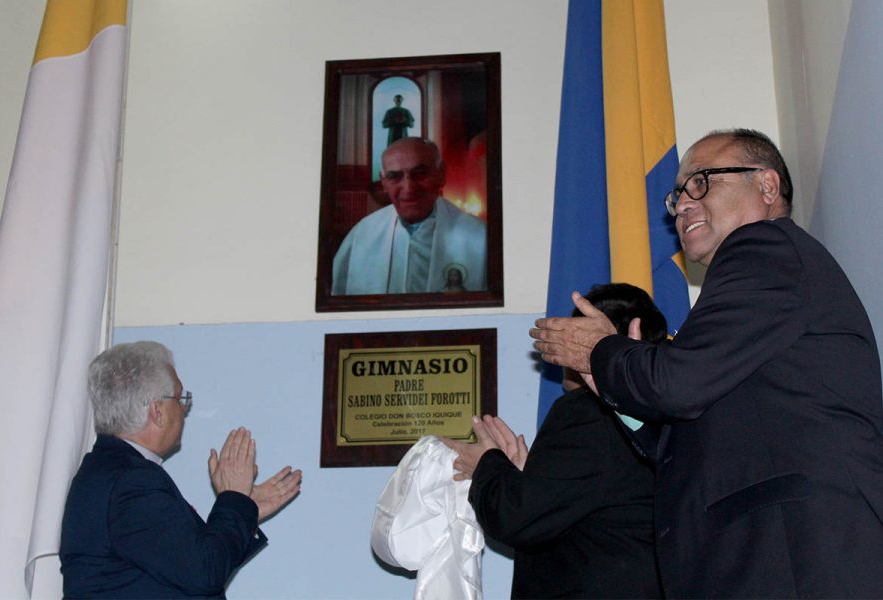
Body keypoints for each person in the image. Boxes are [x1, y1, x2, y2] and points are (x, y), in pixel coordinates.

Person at [530, 129, 883, 598]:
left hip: (794, 559)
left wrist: (601, 350)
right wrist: (611, 388)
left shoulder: (764, 250)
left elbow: (676, 385)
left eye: (700, 182)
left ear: (767, 186)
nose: (682, 205)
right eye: (677, 196)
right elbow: (685, 430)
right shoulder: (749, 290)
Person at [443, 283, 664, 599]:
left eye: (574, 332)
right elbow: (573, 512)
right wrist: (518, 477)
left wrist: (485, 466)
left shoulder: (588, 412)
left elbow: (515, 518)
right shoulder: (662, 411)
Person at [60, 341, 302, 598]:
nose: (184, 408)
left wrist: (244, 510)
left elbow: (187, 568)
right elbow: (204, 572)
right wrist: (234, 500)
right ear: (158, 411)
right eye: (180, 397)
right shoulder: (132, 483)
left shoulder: (112, 472)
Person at [332, 137, 486, 295]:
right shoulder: (362, 234)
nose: (409, 188)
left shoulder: (480, 238)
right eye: (394, 176)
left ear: (441, 174)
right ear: (384, 182)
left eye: (420, 174)